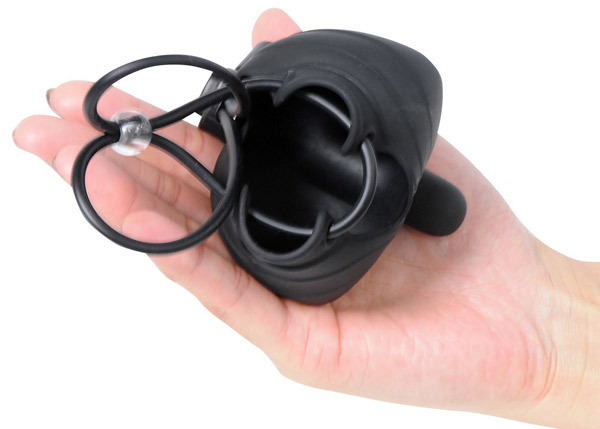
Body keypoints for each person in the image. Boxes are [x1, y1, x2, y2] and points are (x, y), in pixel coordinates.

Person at [12, 8, 599, 428]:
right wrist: (548, 347)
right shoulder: (387, 98)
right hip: (298, 162)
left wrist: (553, 346)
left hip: (300, 152)